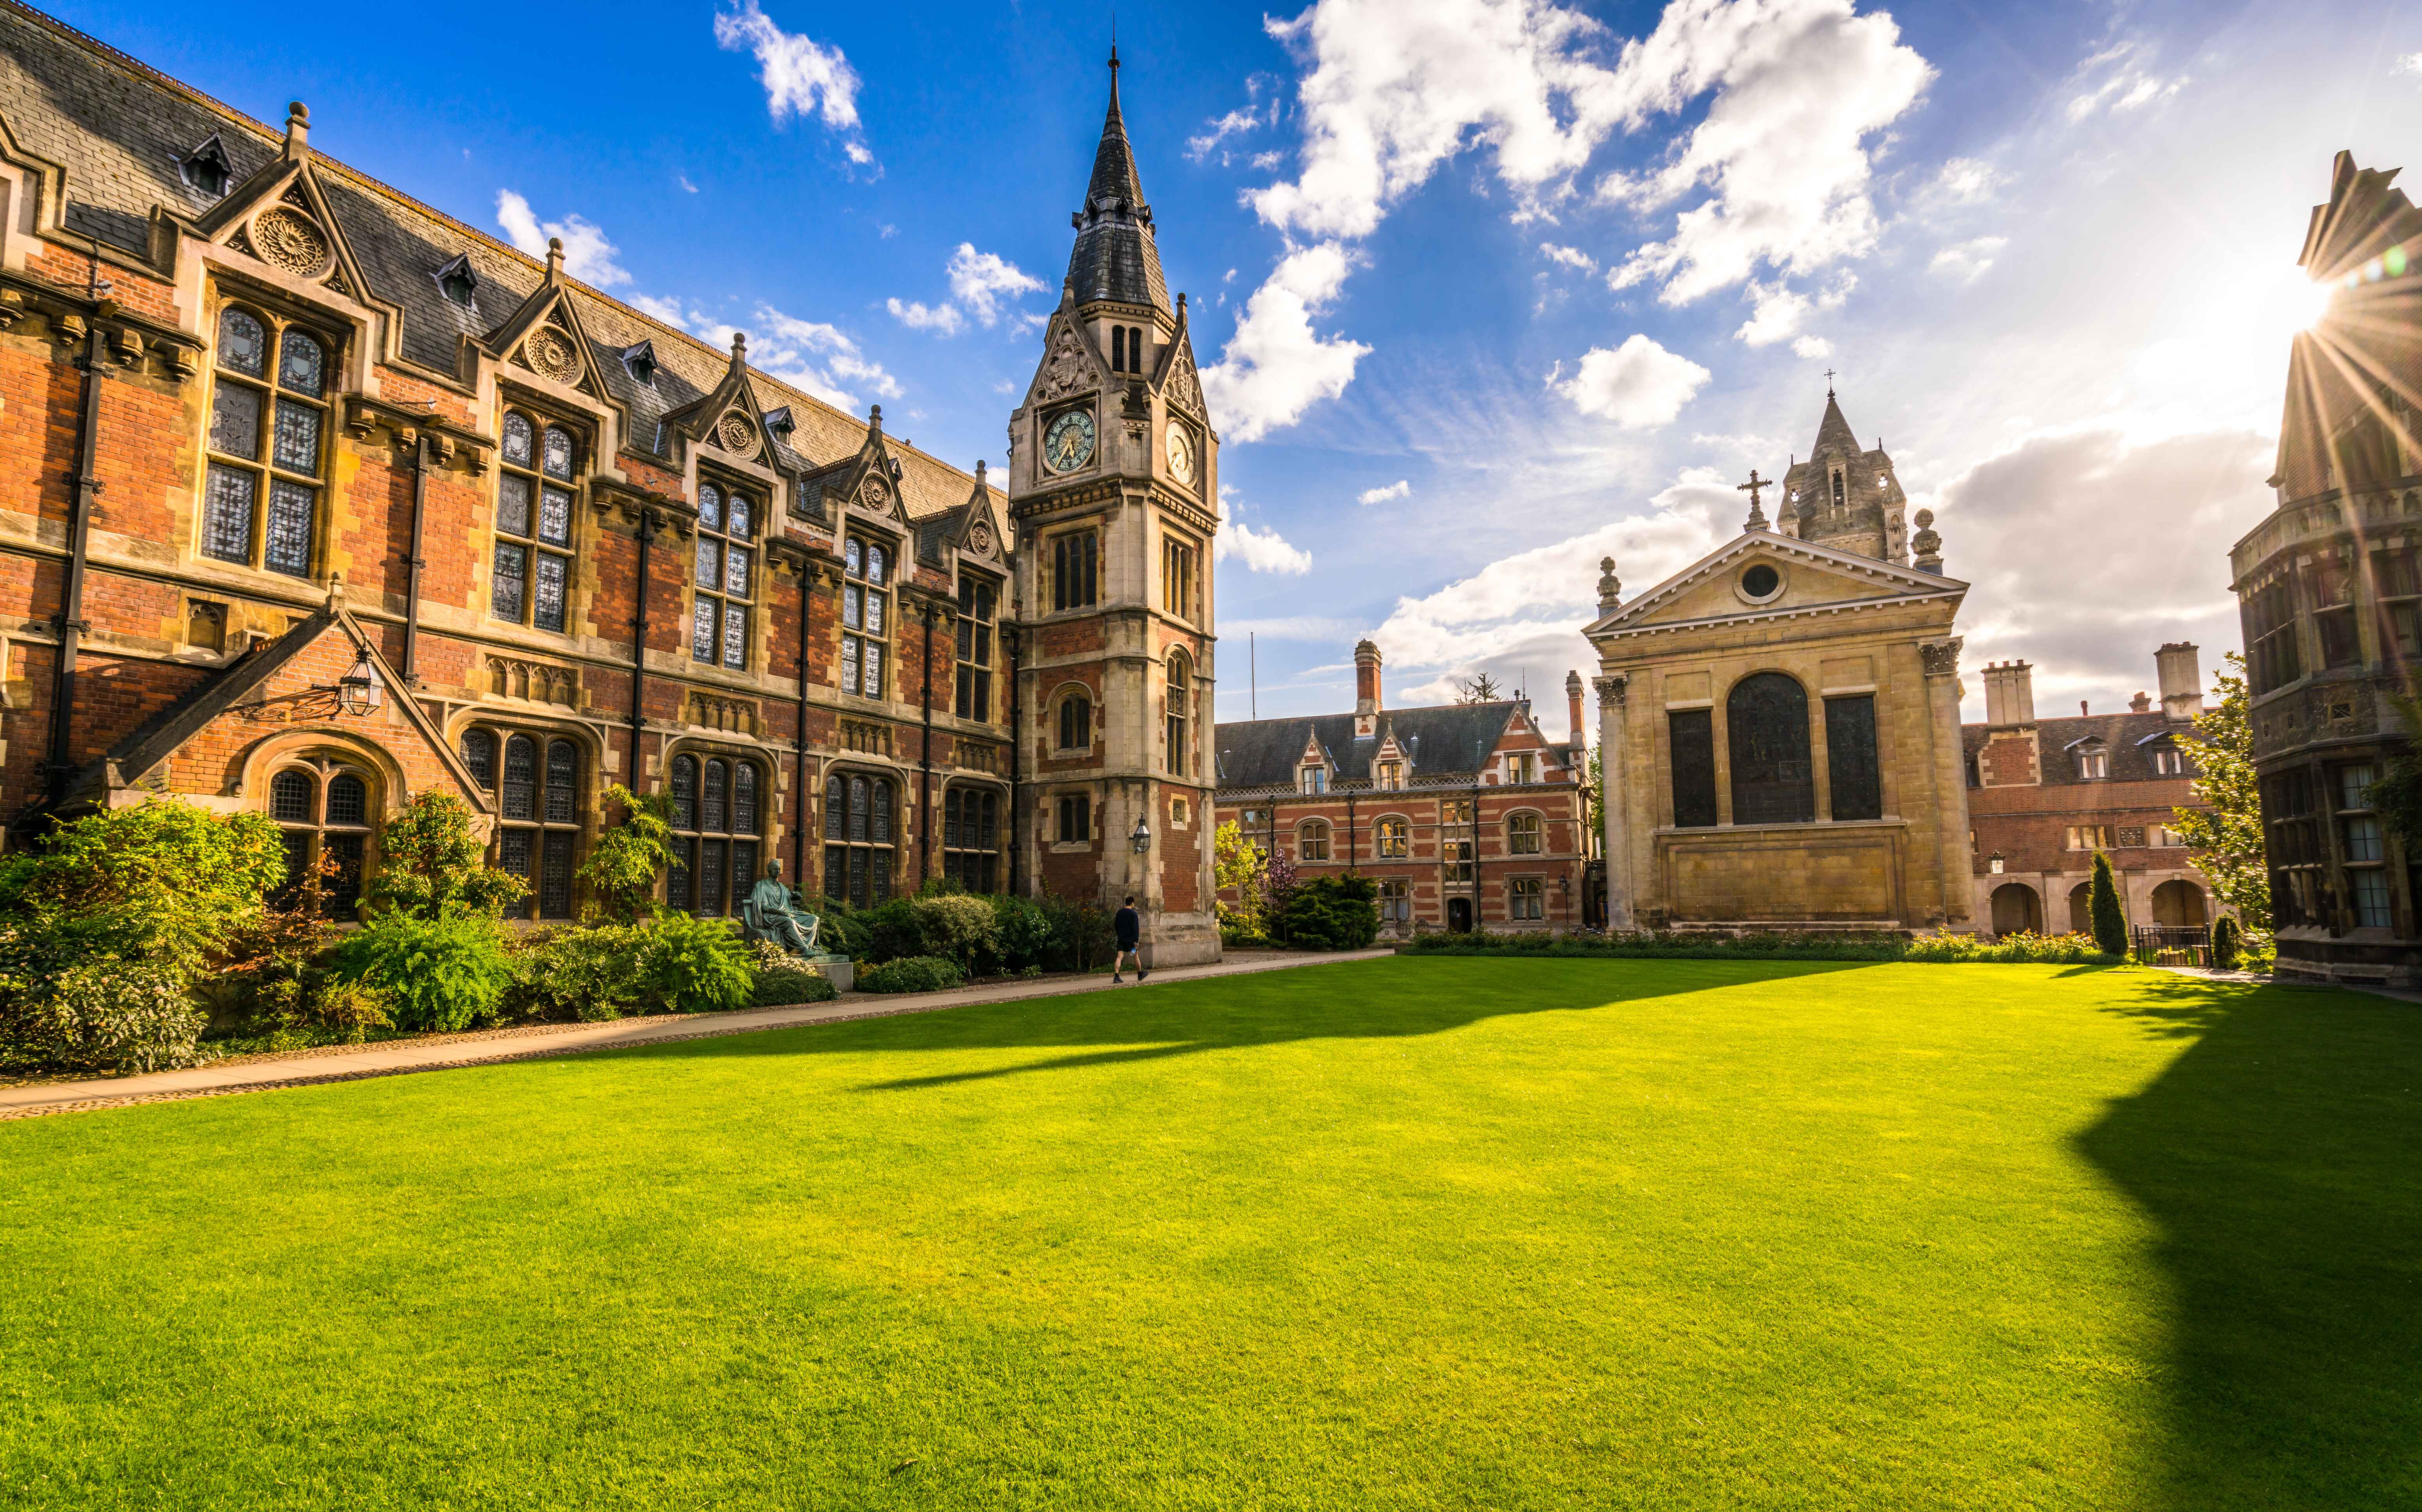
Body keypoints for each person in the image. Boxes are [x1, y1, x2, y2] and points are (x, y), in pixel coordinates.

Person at [739, 859, 821, 957]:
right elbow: (764, 907)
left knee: (814, 919)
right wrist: (781, 913)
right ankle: (803, 949)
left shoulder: (781, 887)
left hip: (786, 913)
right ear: (769, 870)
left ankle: (814, 946)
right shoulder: (762, 886)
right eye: (775, 869)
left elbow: (787, 897)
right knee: (789, 922)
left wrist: (795, 895)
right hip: (770, 917)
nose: (778, 871)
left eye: (779, 869)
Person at [1112, 895, 1148, 984]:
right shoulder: (1134, 914)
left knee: (1120, 957)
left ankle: (1117, 976)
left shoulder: (1119, 913)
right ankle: (1140, 974)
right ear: (1133, 903)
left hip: (1121, 938)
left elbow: (1116, 925)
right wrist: (1136, 942)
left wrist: (1120, 934)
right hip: (1132, 940)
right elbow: (1136, 929)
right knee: (1136, 956)